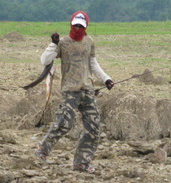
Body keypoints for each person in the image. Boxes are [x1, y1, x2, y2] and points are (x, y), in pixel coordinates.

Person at [35, 11, 114, 173]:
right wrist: (53, 44)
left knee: (93, 127)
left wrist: (106, 79)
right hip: (70, 91)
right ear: (71, 24)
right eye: (75, 25)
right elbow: (45, 60)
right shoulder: (63, 43)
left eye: (81, 26)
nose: (78, 29)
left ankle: (81, 163)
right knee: (65, 123)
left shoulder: (89, 42)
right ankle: (43, 149)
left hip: (87, 90)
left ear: (85, 27)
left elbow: (93, 64)